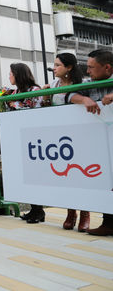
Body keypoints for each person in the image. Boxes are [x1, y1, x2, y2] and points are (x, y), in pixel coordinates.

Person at [42, 53, 90, 231]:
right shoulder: (53, 85)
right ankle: (71, 212)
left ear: (69, 67)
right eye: (54, 65)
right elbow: (46, 108)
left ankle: (85, 213)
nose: (54, 68)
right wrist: (46, 96)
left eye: (57, 65)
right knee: (67, 174)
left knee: (82, 175)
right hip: (60, 137)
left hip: (80, 134)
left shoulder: (83, 84)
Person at [69, 49, 113, 236]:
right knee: (107, 180)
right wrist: (84, 99)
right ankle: (109, 222)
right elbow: (69, 95)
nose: (88, 72)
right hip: (102, 142)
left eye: (91, 67)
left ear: (108, 67)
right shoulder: (90, 83)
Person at [7, 63, 45, 224]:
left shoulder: (34, 90)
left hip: (35, 138)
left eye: (11, 73)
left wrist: (12, 103)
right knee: (26, 175)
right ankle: (34, 208)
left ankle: (39, 210)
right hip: (18, 137)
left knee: (36, 174)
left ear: (18, 75)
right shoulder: (15, 92)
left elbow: (36, 110)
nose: (9, 76)